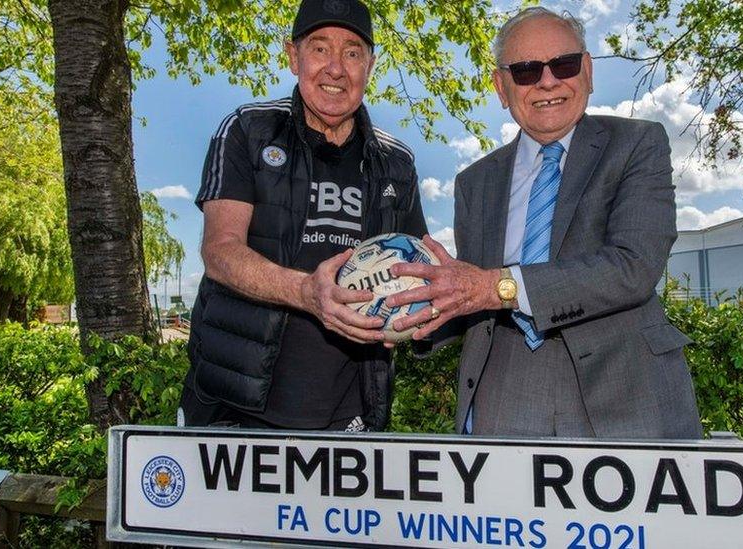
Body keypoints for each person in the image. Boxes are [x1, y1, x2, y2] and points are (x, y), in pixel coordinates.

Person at [386, 7, 702, 439]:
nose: (548, 81)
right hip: (504, 393)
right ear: (502, 87)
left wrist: (494, 287)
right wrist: (421, 313)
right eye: (526, 70)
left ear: (587, 71)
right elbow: (474, 293)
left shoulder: (638, 144)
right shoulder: (473, 182)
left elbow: (633, 267)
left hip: (624, 394)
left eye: (564, 64)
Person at [178, 0, 426, 432]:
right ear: (293, 57)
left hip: (349, 415)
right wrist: (308, 292)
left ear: (371, 65)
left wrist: (428, 310)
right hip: (234, 406)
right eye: (319, 49)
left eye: (352, 52)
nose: (336, 68)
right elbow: (219, 251)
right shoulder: (247, 131)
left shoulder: (396, 163)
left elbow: (417, 269)